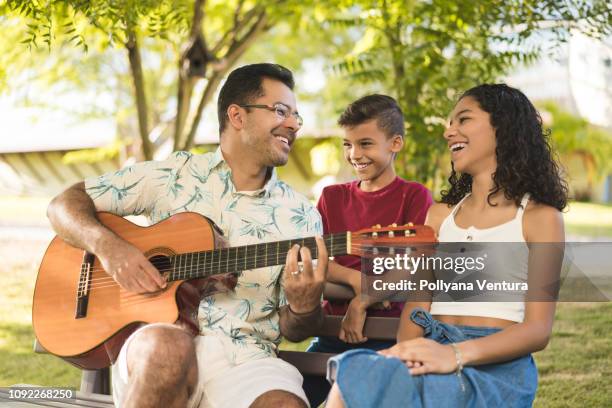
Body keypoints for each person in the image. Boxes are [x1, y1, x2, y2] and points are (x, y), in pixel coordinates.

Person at [47, 63, 329, 408]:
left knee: (283, 404)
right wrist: (110, 248)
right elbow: (64, 204)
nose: (294, 124)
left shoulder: (302, 216)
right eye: (281, 111)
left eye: (297, 116)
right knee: (168, 348)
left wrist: (304, 306)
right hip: (157, 341)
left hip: (248, 360)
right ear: (237, 116)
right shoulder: (173, 174)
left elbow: (297, 329)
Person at [325, 84, 568, 407]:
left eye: (463, 120)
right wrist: (406, 352)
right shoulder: (440, 217)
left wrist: (452, 354)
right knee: (352, 380)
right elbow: (418, 303)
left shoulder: (540, 219)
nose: (449, 131)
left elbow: (538, 330)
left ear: (504, 127)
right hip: (431, 346)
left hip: (493, 366)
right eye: (449, 123)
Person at [303, 94, 433, 406]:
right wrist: (354, 279)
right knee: (288, 391)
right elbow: (317, 256)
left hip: (388, 335)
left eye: (365, 144)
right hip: (330, 333)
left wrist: (362, 300)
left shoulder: (414, 197)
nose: (354, 154)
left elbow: (417, 264)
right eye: (347, 144)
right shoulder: (331, 197)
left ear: (395, 143)